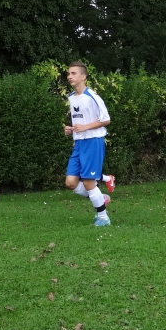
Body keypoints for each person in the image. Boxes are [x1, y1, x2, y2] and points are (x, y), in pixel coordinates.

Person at [64, 62, 115, 227]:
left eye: (73, 73)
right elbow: (78, 120)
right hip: (79, 143)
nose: (69, 76)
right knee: (70, 182)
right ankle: (100, 198)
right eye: (68, 74)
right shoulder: (71, 97)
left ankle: (103, 217)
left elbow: (106, 119)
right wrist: (71, 131)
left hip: (93, 142)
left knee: (88, 182)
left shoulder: (92, 96)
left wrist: (85, 127)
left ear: (83, 76)